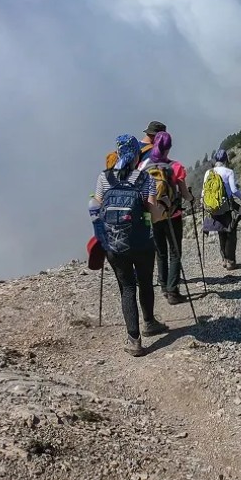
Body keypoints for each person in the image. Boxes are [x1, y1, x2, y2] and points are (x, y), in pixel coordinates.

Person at [92, 134, 169, 357]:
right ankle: (149, 323)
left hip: (114, 244)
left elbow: (96, 208)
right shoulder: (145, 179)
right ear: (137, 155)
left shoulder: (104, 177)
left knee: (127, 288)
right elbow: (154, 216)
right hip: (142, 242)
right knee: (145, 283)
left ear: (117, 154)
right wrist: (163, 207)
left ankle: (134, 340)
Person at [143, 131, 192, 305]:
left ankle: (163, 286)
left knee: (160, 251)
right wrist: (191, 198)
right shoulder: (176, 167)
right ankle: (173, 291)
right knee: (175, 252)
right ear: (169, 147)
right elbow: (185, 194)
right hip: (173, 215)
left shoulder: (144, 166)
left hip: (154, 215)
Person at [203, 149, 241, 269]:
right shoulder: (229, 172)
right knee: (230, 233)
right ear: (226, 159)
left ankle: (223, 259)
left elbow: (204, 192)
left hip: (213, 207)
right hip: (227, 206)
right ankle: (230, 261)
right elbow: (234, 190)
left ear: (215, 160)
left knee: (221, 232)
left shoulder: (208, 173)